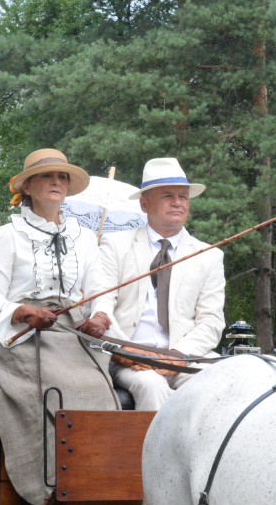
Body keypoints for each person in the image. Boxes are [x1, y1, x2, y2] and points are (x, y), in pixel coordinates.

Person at [0, 148, 120, 505]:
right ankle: (50, 487)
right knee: (59, 388)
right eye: (47, 176)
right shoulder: (6, 235)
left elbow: (102, 291)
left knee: (101, 386)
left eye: (62, 177)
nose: (56, 182)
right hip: (23, 338)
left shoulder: (85, 236)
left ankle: (103, 483)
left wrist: (101, 316)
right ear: (27, 186)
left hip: (73, 334)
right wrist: (26, 313)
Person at [88, 157, 226, 410]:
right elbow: (101, 302)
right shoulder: (114, 245)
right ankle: (156, 451)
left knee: (224, 379)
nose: (178, 202)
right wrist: (127, 352)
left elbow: (211, 321)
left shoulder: (209, 256)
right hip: (129, 359)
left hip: (184, 356)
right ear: (144, 204)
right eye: (167, 196)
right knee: (152, 385)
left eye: (183, 197)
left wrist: (175, 356)